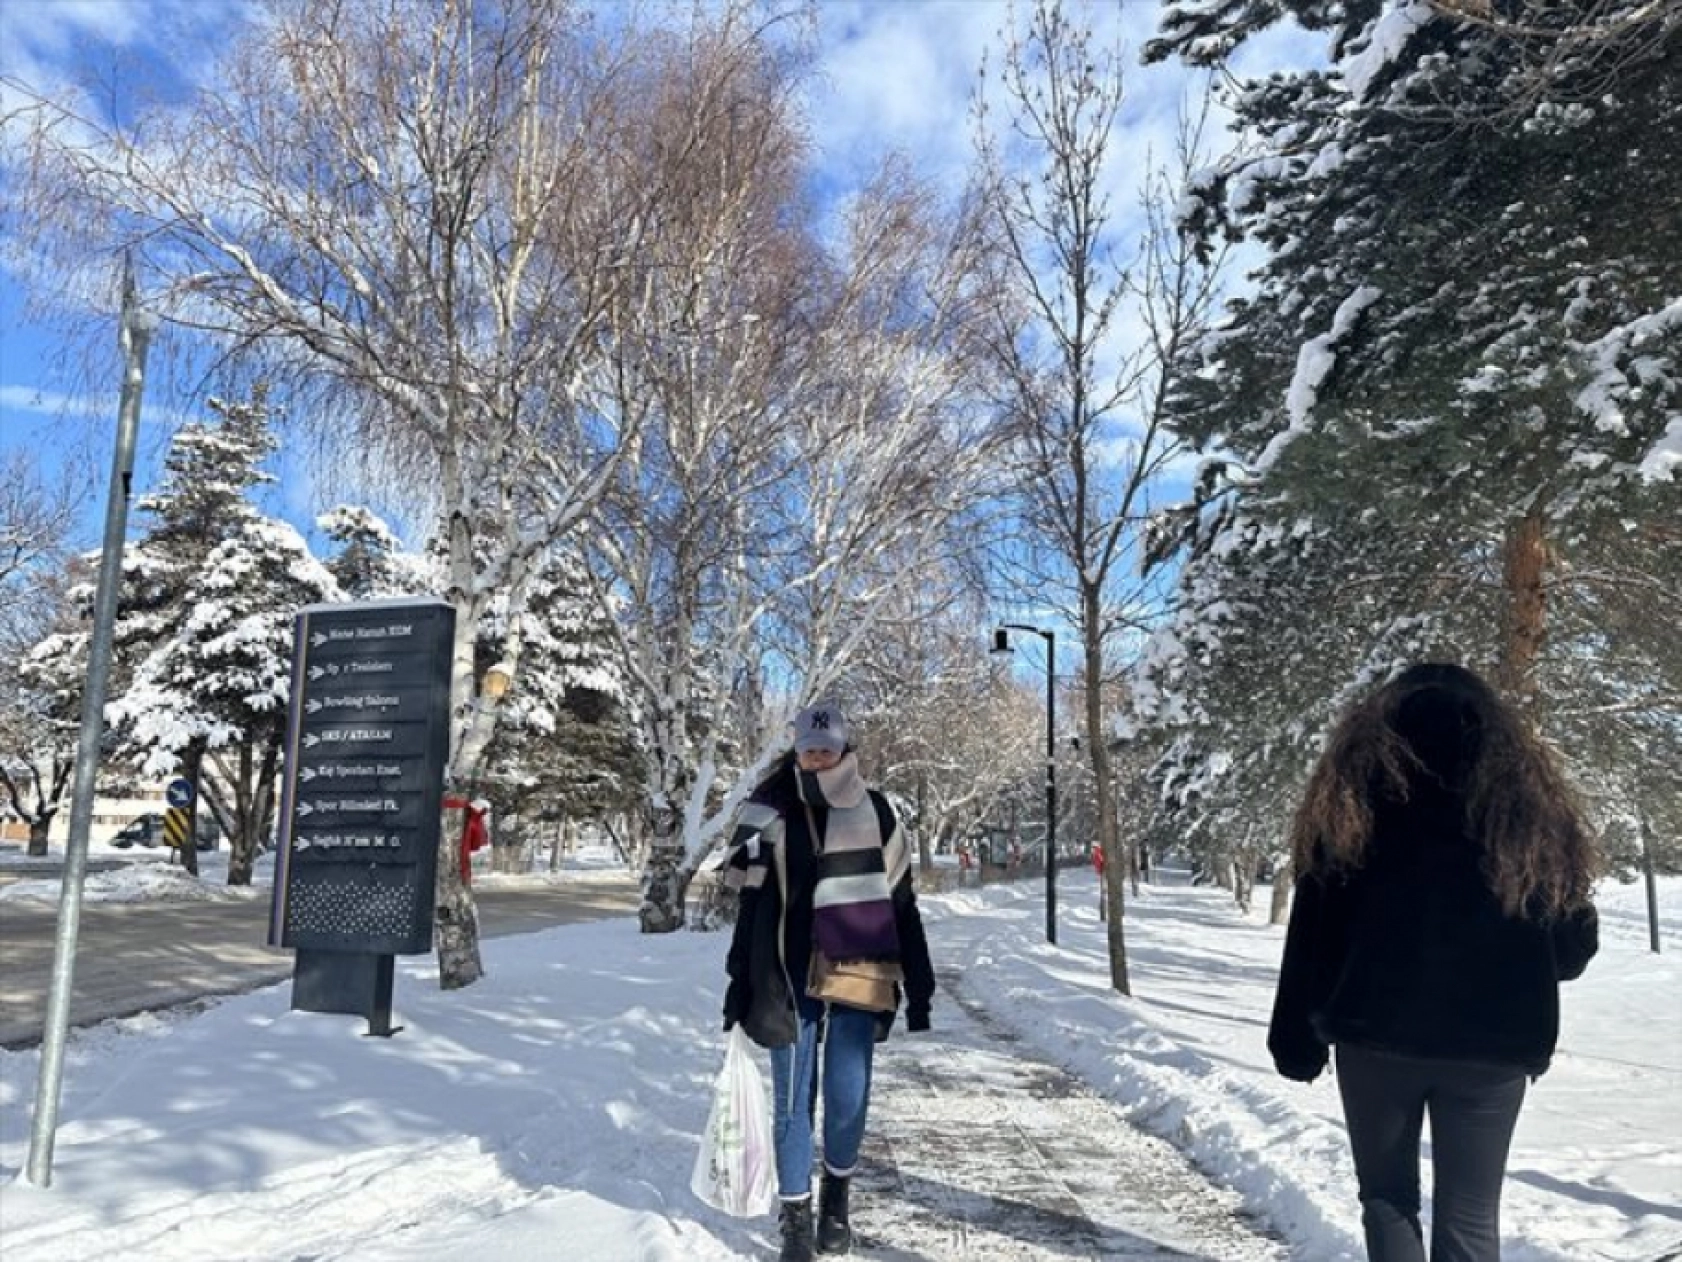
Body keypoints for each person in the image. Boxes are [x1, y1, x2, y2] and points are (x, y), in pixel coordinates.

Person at [1269, 662, 1601, 1262]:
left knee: (1387, 1199)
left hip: (1375, 1043)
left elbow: (1313, 935)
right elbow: (1571, 952)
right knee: (1471, 1217)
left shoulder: (1349, 803)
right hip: (1491, 1052)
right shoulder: (1527, 815)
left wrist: (1295, 1039)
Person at [722, 701, 934, 1261]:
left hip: (859, 973)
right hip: (786, 979)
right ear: (796, 748)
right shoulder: (767, 812)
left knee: (847, 1096)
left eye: (826, 748)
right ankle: (796, 1216)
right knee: (793, 1103)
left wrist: (921, 984)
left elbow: (903, 904)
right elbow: (748, 906)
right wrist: (739, 979)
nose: (816, 758)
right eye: (807, 748)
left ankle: (836, 1196)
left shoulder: (878, 813)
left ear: (845, 749)